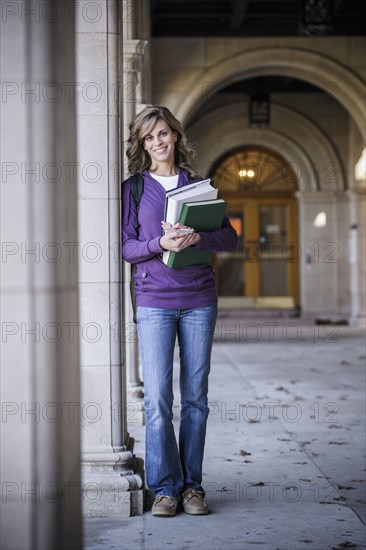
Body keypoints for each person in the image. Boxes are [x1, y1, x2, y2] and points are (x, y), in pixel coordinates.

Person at [122, 105, 238, 517]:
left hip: (199, 300)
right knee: (156, 399)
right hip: (154, 301)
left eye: (163, 134)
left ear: (175, 135)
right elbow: (127, 247)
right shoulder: (133, 188)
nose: (158, 142)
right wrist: (161, 244)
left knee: (196, 399)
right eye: (149, 137)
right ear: (142, 144)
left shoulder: (198, 184)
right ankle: (166, 488)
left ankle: (193, 488)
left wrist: (197, 237)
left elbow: (230, 239)